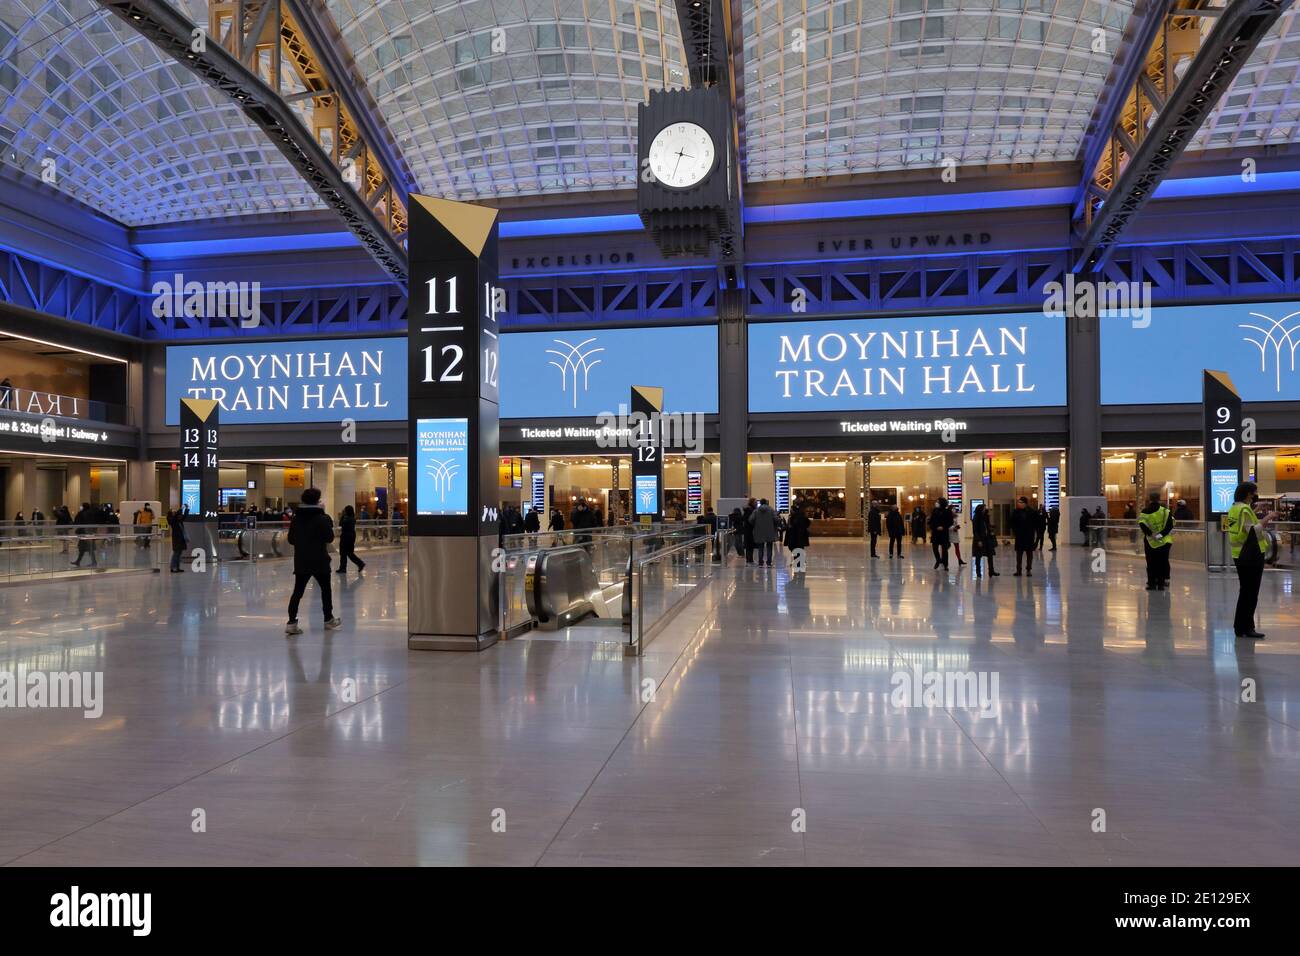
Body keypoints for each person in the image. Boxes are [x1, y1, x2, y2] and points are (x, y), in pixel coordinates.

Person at [285, 487, 341, 635]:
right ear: (317, 500)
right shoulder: (322, 519)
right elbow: (329, 538)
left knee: (298, 591)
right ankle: (328, 619)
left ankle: (291, 622)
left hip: (302, 560)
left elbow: (291, 539)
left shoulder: (296, 519)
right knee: (325, 590)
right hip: (320, 560)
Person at [1227, 481, 1273, 640]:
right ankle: (1246, 627)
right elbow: (1253, 530)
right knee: (1250, 593)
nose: (1255, 495)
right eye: (1254, 492)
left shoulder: (1235, 507)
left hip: (1239, 554)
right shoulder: (1244, 509)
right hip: (1250, 555)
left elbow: (1244, 525)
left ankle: (1241, 627)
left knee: (1245, 591)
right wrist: (1268, 517)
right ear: (1248, 494)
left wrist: (1257, 510)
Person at [1137, 490, 1174, 590]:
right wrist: (1160, 535)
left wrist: (1151, 534)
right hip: (1164, 541)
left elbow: (1142, 524)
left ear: (1149, 499)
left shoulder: (1144, 511)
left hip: (1150, 541)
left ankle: (1151, 583)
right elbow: (1170, 525)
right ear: (1159, 498)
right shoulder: (1165, 511)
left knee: (1151, 562)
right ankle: (1161, 584)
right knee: (1162, 561)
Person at [1009, 496, 1037, 576]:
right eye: (1018, 502)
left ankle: (1028, 569)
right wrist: (1015, 531)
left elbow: (1035, 523)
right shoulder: (1015, 512)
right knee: (1019, 554)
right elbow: (1011, 522)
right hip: (1019, 536)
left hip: (1029, 536)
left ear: (1025, 503)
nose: (1019, 504)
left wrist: (1033, 532)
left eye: (1021, 502)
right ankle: (1018, 570)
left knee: (1029, 554)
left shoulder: (1032, 512)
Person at [336, 504, 365, 575]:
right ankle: (360, 563)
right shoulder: (352, 518)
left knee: (343, 553)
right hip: (351, 536)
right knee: (349, 553)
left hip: (346, 536)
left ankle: (343, 568)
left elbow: (341, 524)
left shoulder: (346, 518)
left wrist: (342, 516)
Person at [971, 503, 999, 577]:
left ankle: (991, 571)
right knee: (978, 556)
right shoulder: (976, 517)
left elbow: (987, 526)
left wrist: (991, 527)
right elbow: (975, 531)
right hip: (980, 539)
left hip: (987, 539)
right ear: (980, 509)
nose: (985, 509)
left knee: (990, 555)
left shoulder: (985, 517)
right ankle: (978, 572)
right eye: (984, 508)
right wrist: (978, 540)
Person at [749, 498, 778, 566]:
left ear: (760, 503)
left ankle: (760, 562)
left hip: (759, 531)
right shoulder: (771, 510)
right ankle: (769, 563)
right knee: (769, 547)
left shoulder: (756, 511)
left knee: (760, 548)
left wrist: (755, 525)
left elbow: (751, 520)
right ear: (766, 503)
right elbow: (776, 519)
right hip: (770, 531)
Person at [928, 498, 953, 570]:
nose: (936, 503)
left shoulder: (948, 511)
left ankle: (945, 564)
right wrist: (935, 527)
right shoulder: (934, 510)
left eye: (938, 502)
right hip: (935, 532)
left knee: (944, 550)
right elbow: (931, 521)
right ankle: (938, 560)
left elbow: (950, 522)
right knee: (935, 548)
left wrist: (943, 527)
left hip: (944, 533)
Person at [70, 502, 97, 567]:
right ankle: (78, 561)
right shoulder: (91, 513)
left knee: (87, 548)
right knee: (83, 548)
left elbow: (77, 522)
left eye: (81, 506)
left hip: (84, 532)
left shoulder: (82, 513)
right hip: (89, 532)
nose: (81, 507)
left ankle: (94, 562)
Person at [168, 507, 188, 572]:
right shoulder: (173, 521)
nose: (180, 516)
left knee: (179, 553)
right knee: (176, 553)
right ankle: (173, 567)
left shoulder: (179, 521)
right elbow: (173, 518)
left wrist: (186, 509)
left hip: (180, 539)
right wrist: (179, 510)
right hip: (177, 539)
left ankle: (177, 567)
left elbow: (184, 517)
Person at [742, 498, 757, 564]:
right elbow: (751, 520)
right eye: (755, 502)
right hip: (750, 530)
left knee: (749, 546)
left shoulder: (747, 510)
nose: (756, 503)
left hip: (747, 530)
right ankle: (749, 560)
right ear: (752, 502)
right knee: (750, 546)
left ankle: (749, 560)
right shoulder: (751, 510)